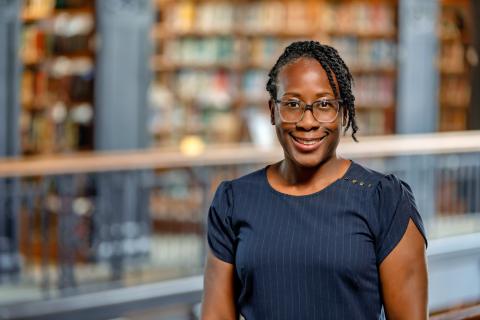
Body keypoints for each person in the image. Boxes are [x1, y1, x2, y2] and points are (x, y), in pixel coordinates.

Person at [201, 41, 428, 320]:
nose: (307, 122)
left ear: (344, 112)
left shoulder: (385, 200)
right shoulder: (233, 201)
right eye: (293, 104)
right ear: (273, 111)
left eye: (323, 105)